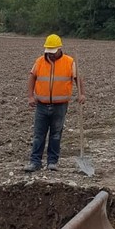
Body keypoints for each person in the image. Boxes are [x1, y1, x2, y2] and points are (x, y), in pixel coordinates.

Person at [24, 34, 85, 172]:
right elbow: (32, 78)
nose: (50, 55)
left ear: (59, 49)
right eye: (48, 52)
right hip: (41, 105)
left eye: (53, 52)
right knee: (39, 134)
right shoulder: (39, 61)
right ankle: (35, 162)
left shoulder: (69, 62)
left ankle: (52, 162)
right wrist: (30, 96)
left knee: (56, 134)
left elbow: (78, 79)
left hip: (60, 105)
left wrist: (81, 94)